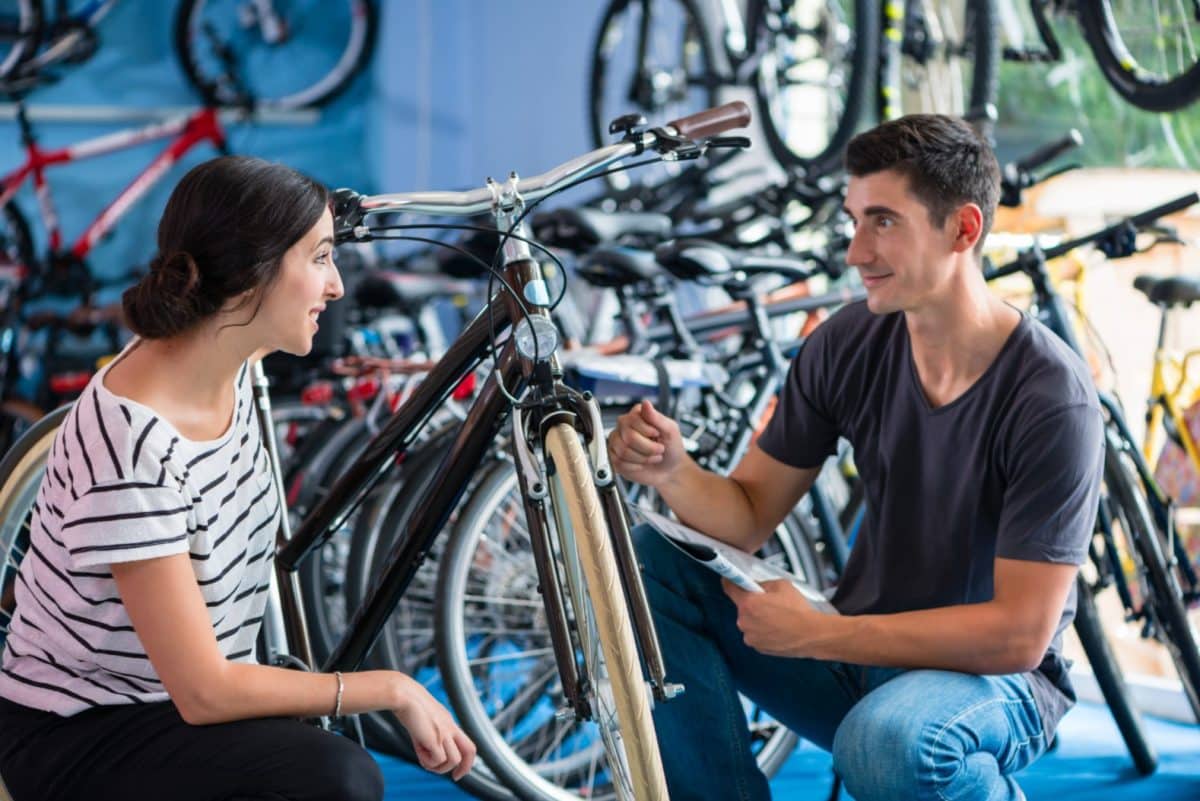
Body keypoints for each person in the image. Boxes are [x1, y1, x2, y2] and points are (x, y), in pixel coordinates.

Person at [608, 115, 1104, 801]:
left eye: (884, 222)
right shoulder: (846, 343)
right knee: (650, 562)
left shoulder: (1053, 396)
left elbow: (1018, 634)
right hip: (859, 648)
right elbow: (748, 514)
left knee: (887, 741)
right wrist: (673, 471)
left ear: (963, 229)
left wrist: (820, 635)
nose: (855, 251)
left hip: (996, 680)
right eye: (853, 221)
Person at [0, 156, 475, 801]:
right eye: (320, 258)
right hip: (81, 728)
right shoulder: (134, 441)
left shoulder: (235, 359)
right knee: (336, 778)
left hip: (169, 697)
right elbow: (203, 692)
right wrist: (387, 689)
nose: (335, 286)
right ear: (251, 273)